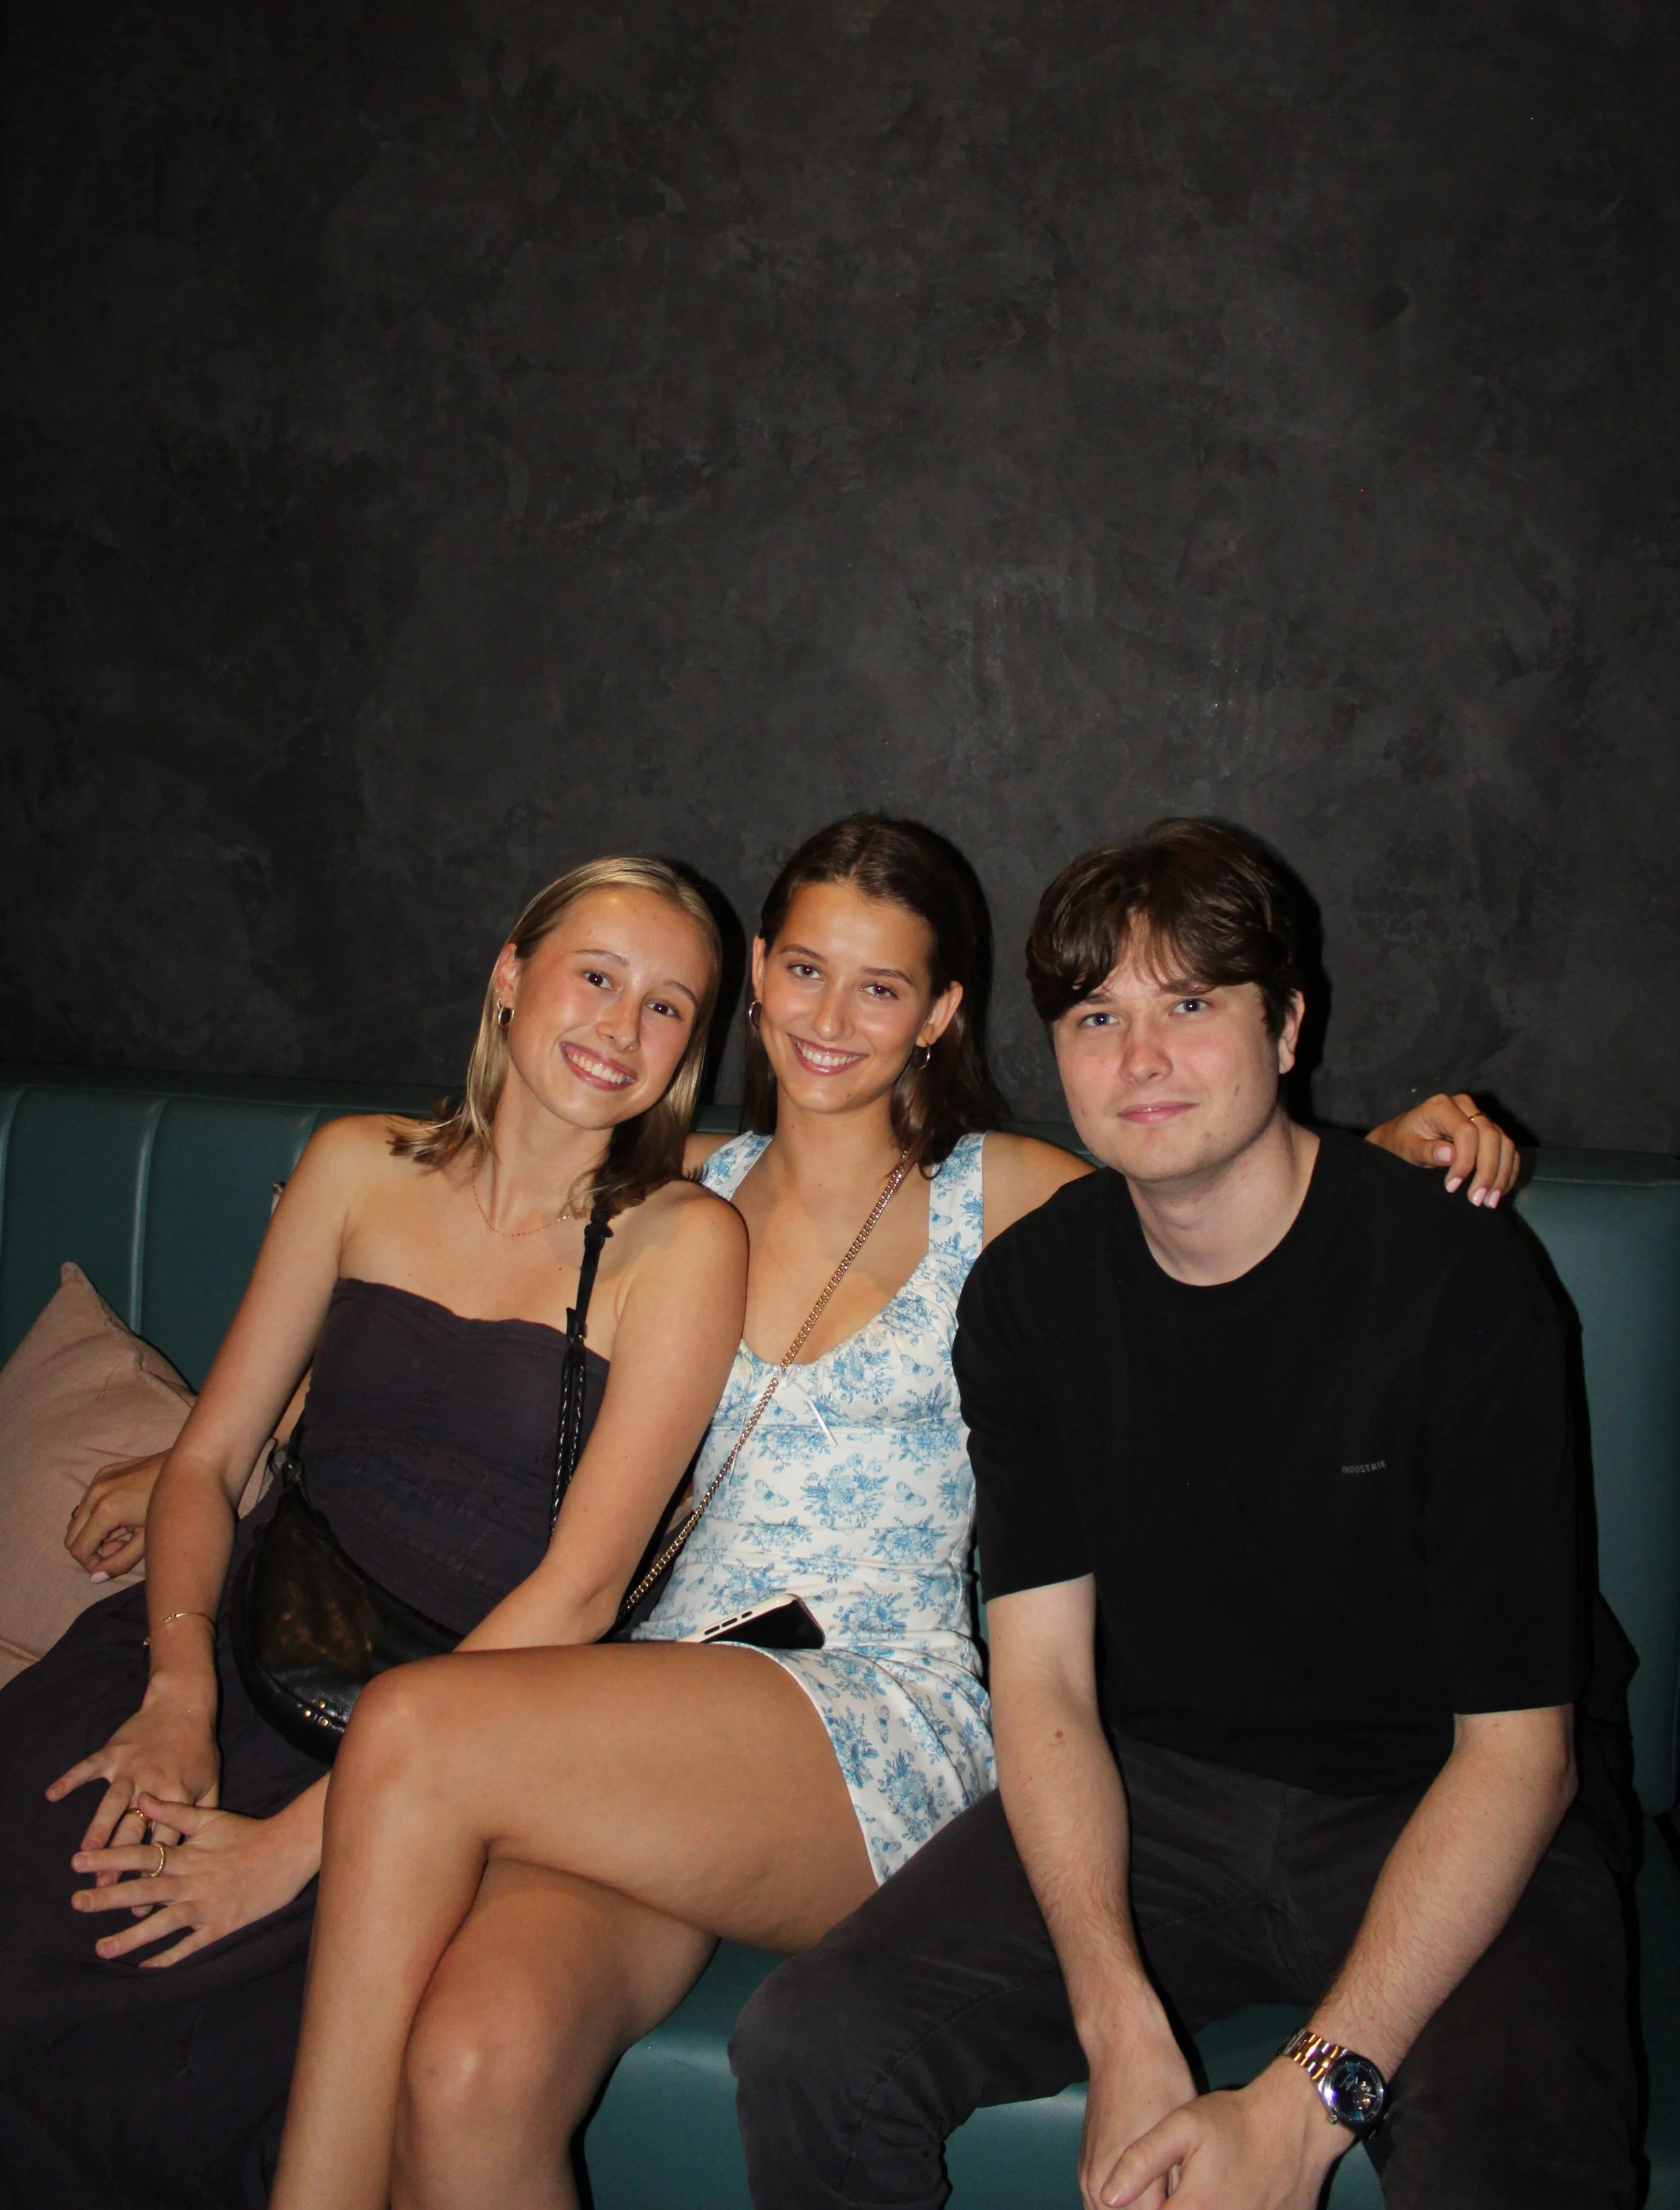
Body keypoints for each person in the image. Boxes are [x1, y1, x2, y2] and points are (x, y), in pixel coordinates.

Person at [262, 811, 1513, 2210]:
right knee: (473, 2069)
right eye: (804, 971)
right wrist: (216, 1457)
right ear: (755, 973)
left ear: (940, 1013)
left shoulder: (1008, 1196)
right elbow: (453, 1315)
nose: (829, 1019)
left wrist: (1377, 1149)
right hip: (647, 1723)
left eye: (879, 986)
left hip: (873, 1720)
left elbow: (1207, 1170)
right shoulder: (682, 1190)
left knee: (418, 1725)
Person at [730, 817, 1638, 2210]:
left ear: (1286, 1026)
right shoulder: (1032, 1299)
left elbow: (1520, 1759)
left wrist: (1298, 2108)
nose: (1138, 1059)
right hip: (1158, 1798)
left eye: (1191, 1004)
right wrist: (1117, 2020)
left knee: (1513, 2160)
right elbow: (1039, 1683)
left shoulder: (1453, 1284)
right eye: (1096, 1016)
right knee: (813, 2045)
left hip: (1437, 1794)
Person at [0, 856, 747, 2210]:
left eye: (666, 1010)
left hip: (457, 1739)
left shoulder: (682, 1244)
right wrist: (172, 1689)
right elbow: (211, 1461)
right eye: (595, 976)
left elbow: (577, 1597)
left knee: (180, 2030)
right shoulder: (356, 1165)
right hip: (236, 1642)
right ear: (509, 975)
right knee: (35, 1894)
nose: (619, 1029)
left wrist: (293, 1852)